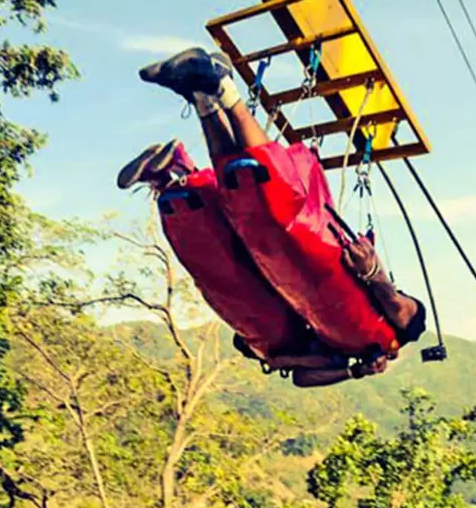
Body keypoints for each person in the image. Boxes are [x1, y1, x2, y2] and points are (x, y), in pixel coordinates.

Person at [117, 47, 426, 387]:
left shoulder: (342, 347)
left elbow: (301, 378)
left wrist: (354, 370)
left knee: (242, 194)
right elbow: (395, 304)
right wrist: (371, 272)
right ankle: (224, 90)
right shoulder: (402, 327)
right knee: (274, 199)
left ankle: (201, 101)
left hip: (286, 278)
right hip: (322, 257)